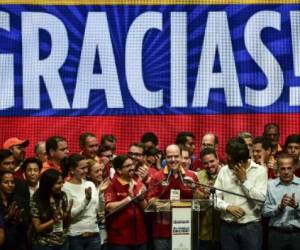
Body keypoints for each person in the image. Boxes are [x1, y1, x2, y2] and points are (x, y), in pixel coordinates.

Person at [214, 137, 268, 250]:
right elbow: (213, 197)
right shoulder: (224, 171)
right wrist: (227, 207)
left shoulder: (260, 171)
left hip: (251, 229)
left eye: (230, 160)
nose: (227, 161)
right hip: (227, 228)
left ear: (241, 162)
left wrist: (244, 181)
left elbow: (261, 200)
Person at [148, 144, 199, 250]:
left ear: (181, 157)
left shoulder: (191, 176)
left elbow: (200, 201)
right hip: (162, 232)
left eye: (176, 156)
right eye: (169, 156)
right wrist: (170, 204)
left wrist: (194, 189)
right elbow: (151, 201)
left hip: (184, 229)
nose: (173, 159)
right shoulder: (157, 177)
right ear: (165, 158)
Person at [105, 154, 148, 250]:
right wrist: (129, 198)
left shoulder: (139, 183)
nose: (132, 168)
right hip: (120, 240)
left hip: (140, 238)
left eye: (132, 165)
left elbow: (146, 209)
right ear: (119, 170)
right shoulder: (112, 185)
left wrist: (141, 199)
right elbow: (109, 207)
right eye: (128, 166)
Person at [62, 154, 101, 250]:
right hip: (76, 236)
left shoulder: (90, 184)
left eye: (86, 168)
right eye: (82, 168)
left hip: (94, 234)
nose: (86, 171)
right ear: (72, 170)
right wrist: (86, 200)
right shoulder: (65, 188)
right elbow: (70, 215)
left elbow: (96, 209)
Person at [262, 153, 300, 250]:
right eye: (283, 168)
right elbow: (264, 211)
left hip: (297, 234)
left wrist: (297, 206)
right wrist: (279, 207)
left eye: (289, 168)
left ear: (294, 168)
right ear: (278, 169)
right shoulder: (270, 185)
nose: (286, 172)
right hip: (276, 235)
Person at [30, 169, 72, 250]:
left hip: (63, 243)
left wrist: (68, 213)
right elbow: (37, 228)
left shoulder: (62, 195)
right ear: (48, 184)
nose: (62, 185)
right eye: (59, 183)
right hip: (44, 245)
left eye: (62, 182)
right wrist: (53, 221)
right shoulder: (36, 199)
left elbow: (67, 224)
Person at [197, 147, 221, 250]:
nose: (209, 165)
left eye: (212, 161)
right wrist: (202, 194)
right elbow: (195, 199)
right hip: (204, 230)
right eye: (205, 163)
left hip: (223, 231)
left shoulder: (226, 173)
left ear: (218, 159)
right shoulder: (198, 176)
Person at [0, 170, 29, 250]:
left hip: (18, 244)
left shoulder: (20, 201)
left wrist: (20, 220)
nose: (10, 185)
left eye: (12, 182)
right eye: (6, 182)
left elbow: (27, 223)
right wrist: (8, 218)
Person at [86, 159, 109, 249]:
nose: (100, 173)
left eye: (101, 170)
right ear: (88, 174)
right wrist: (99, 191)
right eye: (96, 171)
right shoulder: (87, 188)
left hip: (103, 227)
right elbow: (91, 209)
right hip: (91, 228)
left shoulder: (104, 184)